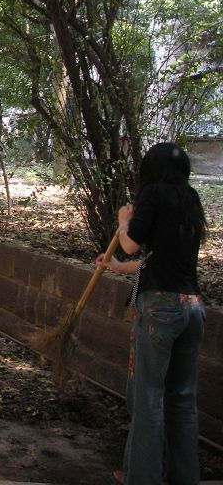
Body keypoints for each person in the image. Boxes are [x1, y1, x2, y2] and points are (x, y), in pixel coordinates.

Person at [97, 142, 207, 485]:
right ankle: (182, 477)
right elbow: (158, 261)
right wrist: (117, 266)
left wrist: (123, 221)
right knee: (182, 400)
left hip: (160, 312)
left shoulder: (154, 194)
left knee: (148, 400)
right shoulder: (190, 199)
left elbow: (131, 243)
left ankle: (141, 477)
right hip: (192, 309)